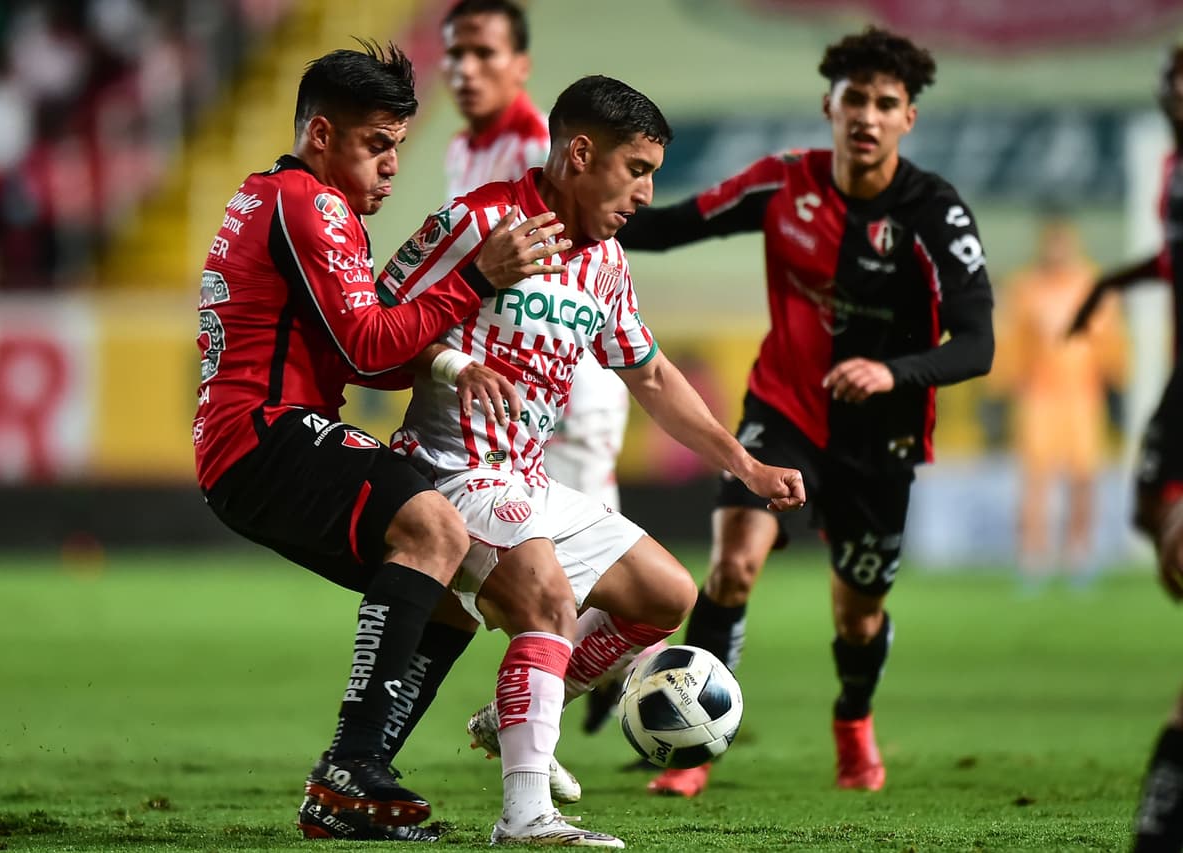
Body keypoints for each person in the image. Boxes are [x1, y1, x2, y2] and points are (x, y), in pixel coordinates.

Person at [377, 74, 805, 845]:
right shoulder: (478, 221)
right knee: (547, 601)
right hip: (451, 470)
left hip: (527, 478)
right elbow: (374, 325)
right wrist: (453, 364)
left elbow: (653, 376)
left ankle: (514, 713)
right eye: (636, 169)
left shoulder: (606, 262)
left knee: (663, 593)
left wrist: (745, 465)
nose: (646, 193)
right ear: (580, 154)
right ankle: (525, 813)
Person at [191, 41, 563, 842]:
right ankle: (352, 765)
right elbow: (367, 345)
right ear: (321, 134)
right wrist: (476, 278)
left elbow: (372, 354)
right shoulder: (309, 203)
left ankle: (347, 788)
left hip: (251, 443)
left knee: (454, 588)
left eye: (399, 144)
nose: (393, 164)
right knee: (434, 528)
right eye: (377, 143)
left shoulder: (278, 198)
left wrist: (451, 361)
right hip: (265, 430)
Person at [615, 26, 995, 798]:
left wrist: (892, 373)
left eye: (885, 103)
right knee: (733, 564)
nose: (867, 116)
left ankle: (853, 720)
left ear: (908, 117)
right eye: (855, 99)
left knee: (858, 619)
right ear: (830, 106)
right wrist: (572, 207)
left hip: (881, 437)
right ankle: (693, 750)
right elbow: (670, 225)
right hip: (784, 410)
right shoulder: (783, 183)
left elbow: (978, 344)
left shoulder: (934, 213)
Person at [441, 2, 632, 588]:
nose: (465, 69)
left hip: (565, 395)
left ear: (521, 65)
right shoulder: (463, 148)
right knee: (506, 583)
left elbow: (587, 266)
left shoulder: (536, 154)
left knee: (582, 587)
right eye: (455, 53)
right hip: (505, 402)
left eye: (484, 53)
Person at [1071, 44, 1183, 853]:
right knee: (1149, 512)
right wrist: (1111, 283)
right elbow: (1173, 258)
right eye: (1176, 82)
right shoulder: (1172, 168)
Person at [992, 212, 1125, 587]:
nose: (1057, 251)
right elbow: (1013, 340)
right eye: (1051, 244)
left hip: (1082, 395)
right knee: (1035, 479)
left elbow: (1109, 340)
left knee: (1084, 476)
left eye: (1062, 244)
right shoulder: (1026, 287)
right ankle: (1033, 555)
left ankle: (1079, 553)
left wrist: (1115, 375)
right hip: (1039, 396)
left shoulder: (1091, 285)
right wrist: (1007, 381)